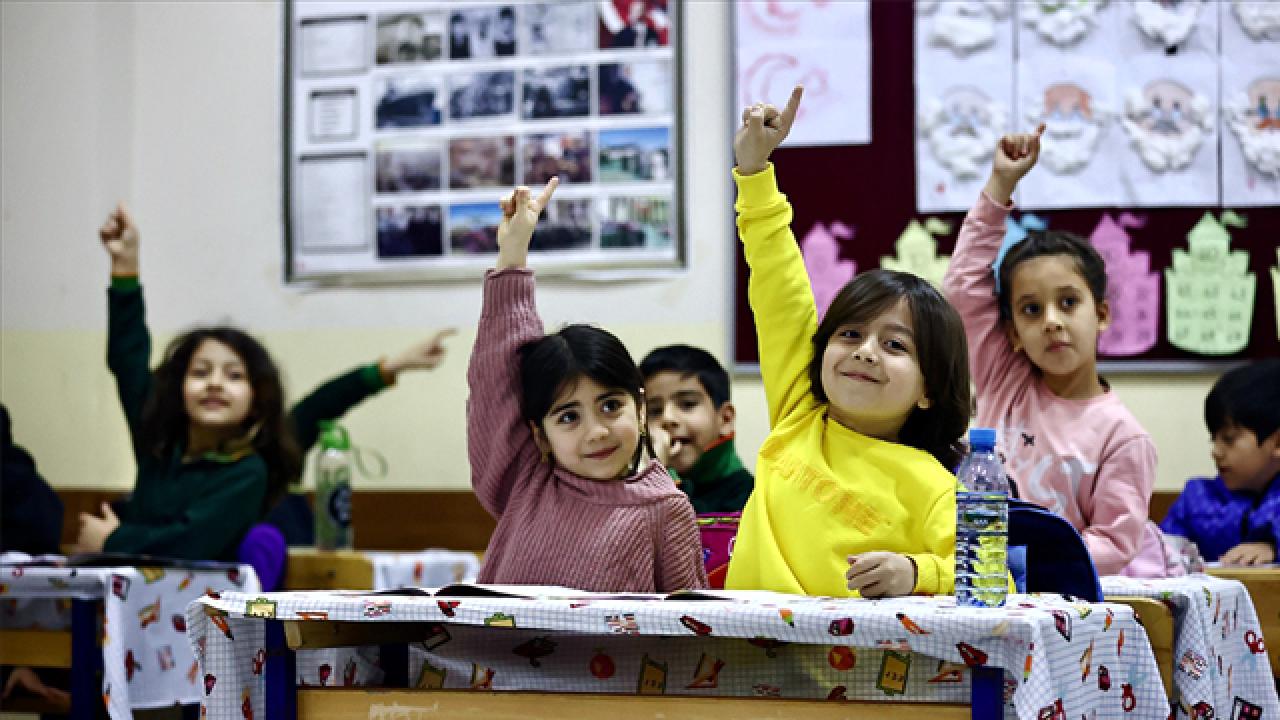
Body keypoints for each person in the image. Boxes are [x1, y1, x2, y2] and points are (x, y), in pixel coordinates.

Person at [725, 87, 973, 598]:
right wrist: (754, 173)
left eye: (896, 346)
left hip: (848, 677)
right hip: (740, 662)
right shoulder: (800, 414)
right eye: (851, 334)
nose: (865, 351)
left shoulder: (933, 485)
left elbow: (996, 579)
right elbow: (779, 286)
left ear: (929, 390)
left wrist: (916, 571)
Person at [467, 178, 706, 592]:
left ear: (641, 409)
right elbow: (496, 382)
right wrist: (512, 257)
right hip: (490, 661)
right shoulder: (525, 481)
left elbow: (690, 633)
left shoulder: (665, 509)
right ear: (540, 436)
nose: (596, 431)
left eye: (611, 406)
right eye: (569, 416)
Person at [941, 125, 1158, 577]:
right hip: (984, 585)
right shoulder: (1005, 378)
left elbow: (1115, 544)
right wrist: (1000, 185)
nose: (1053, 322)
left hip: (1063, 606)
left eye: (1068, 303)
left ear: (1101, 314)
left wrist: (1022, 560)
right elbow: (963, 286)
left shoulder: (1123, 436)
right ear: (1014, 333)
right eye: (1032, 310)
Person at [73, 204, 301, 561]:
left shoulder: (246, 471)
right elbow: (128, 361)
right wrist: (124, 267)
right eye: (200, 372)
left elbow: (190, 541)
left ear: (256, 400)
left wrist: (113, 541)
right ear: (178, 390)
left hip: (201, 610)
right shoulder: (159, 445)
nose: (214, 383)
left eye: (234, 375)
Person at [267, 329, 456, 546]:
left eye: (234, 375)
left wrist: (392, 367)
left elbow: (321, 404)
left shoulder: (272, 448)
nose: (217, 383)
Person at [1161, 360, 1280, 565]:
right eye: (1212, 439)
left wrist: (1273, 548)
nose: (1215, 451)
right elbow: (1160, 550)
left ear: (1277, 443)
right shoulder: (1196, 499)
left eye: (1229, 438)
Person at [639, 345, 753, 514]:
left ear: (725, 419)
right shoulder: (632, 486)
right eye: (654, 410)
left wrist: (659, 478)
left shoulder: (752, 496)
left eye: (687, 404)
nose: (668, 418)